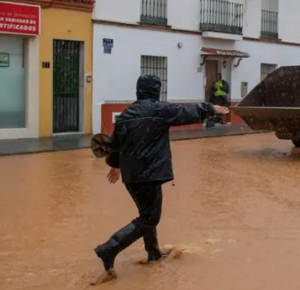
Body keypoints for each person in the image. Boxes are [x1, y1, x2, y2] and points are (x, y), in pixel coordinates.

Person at [94, 74, 229, 278]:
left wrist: (115, 165)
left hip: (131, 177)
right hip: (149, 174)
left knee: (146, 214)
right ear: (156, 91)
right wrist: (211, 108)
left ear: (139, 90)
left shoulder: (126, 114)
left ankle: (153, 253)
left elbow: (115, 145)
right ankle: (109, 248)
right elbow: (185, 111)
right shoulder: (159, 110)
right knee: (150, 218)